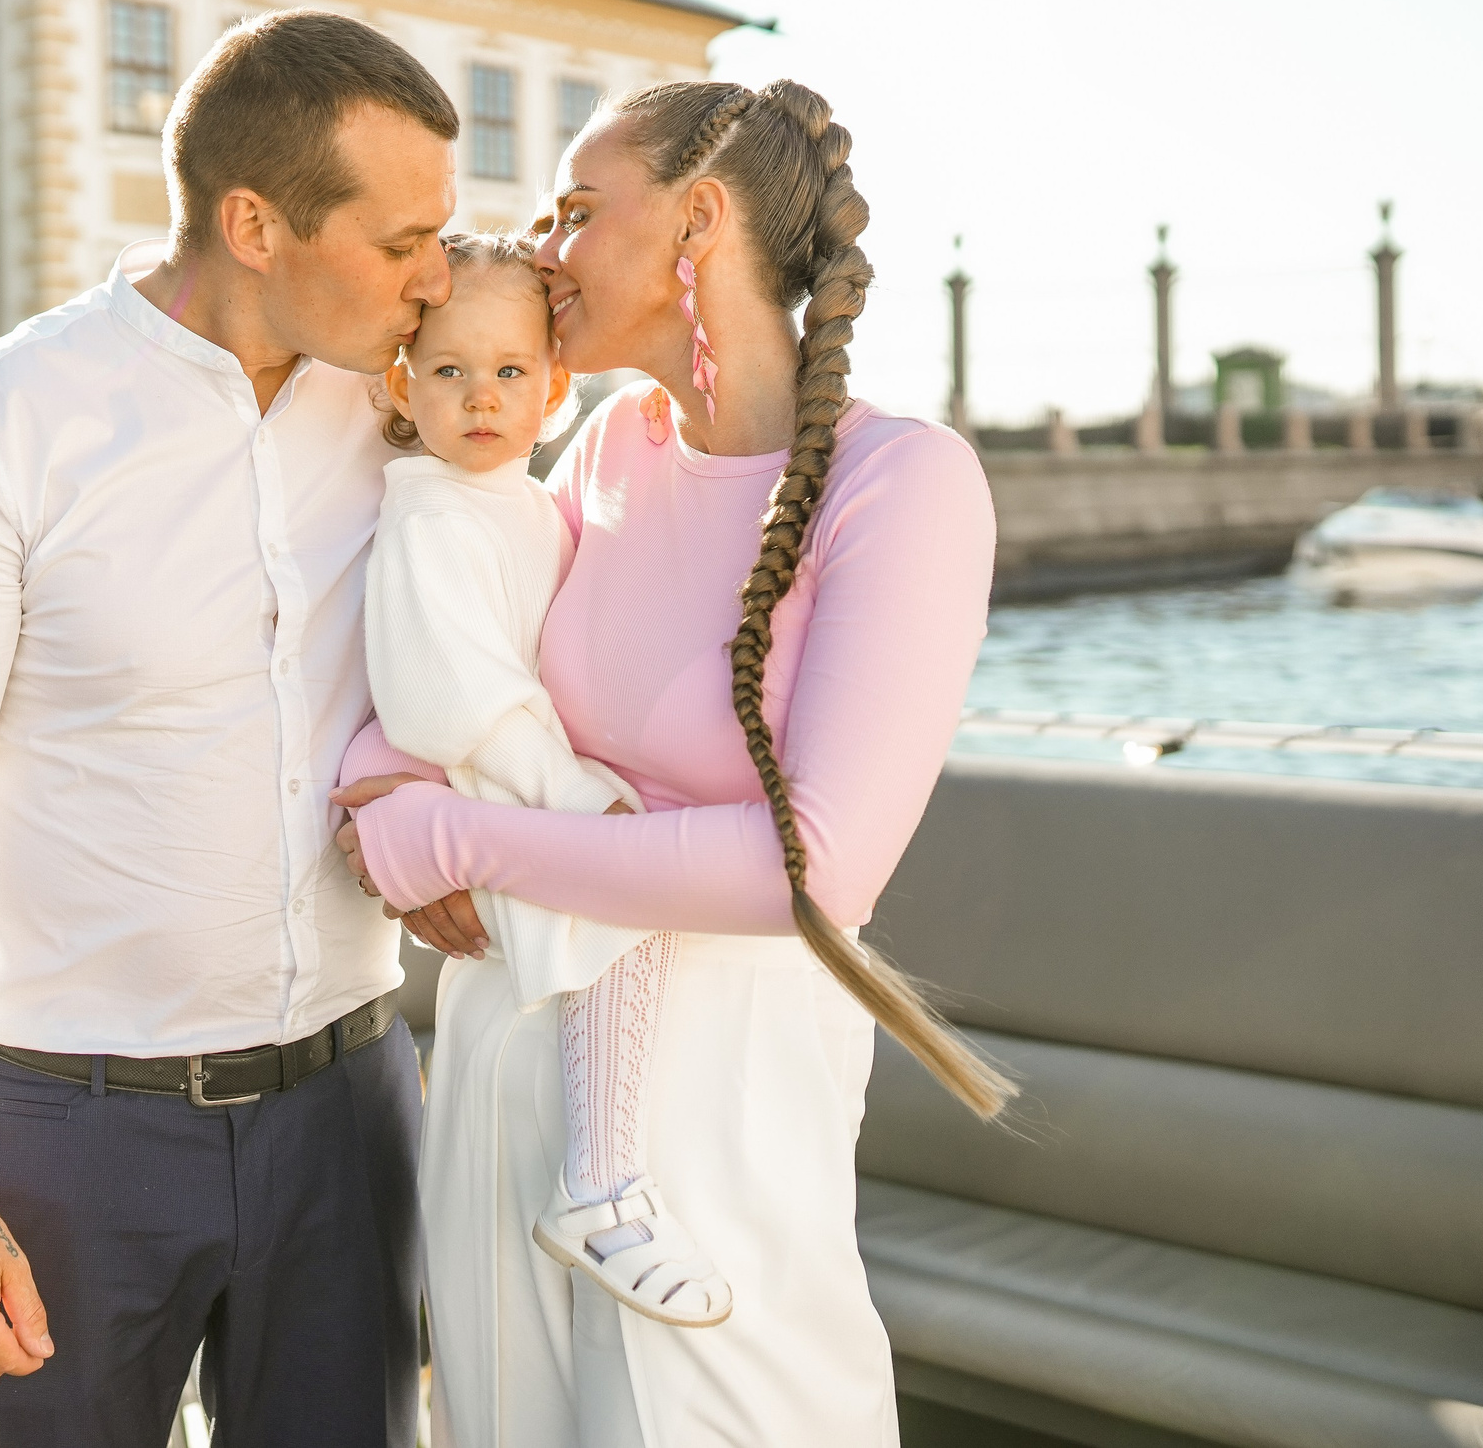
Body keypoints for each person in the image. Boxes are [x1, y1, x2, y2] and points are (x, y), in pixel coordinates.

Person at [0, 9, 457, 1448]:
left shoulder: (413, 402)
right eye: (405, 239)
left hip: (354, 1106)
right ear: (255, 222)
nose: (438, 277)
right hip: (68, 1137)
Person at [335, 78, 1012, 1446]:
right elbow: (463, 650)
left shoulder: (904, 482)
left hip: (718, 1123)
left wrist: (457, 841)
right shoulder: (609, 449)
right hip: (502, 1048)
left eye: (580, 212)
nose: (541, 250)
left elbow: (805, 867)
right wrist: (375, 784)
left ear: (698, 219)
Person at [362, 233, 733, 1337]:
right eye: (450, 371)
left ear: (556, 389)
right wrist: (568, 795)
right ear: (404, 383)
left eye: (510, 372)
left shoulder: (525, 502)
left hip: (539, 787)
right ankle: (600, 1184)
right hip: (503, 794)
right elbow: (454, 692)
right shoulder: (428, 514)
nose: (482, 397)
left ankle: (604, 1172)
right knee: (626, 923)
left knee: (630, 945)